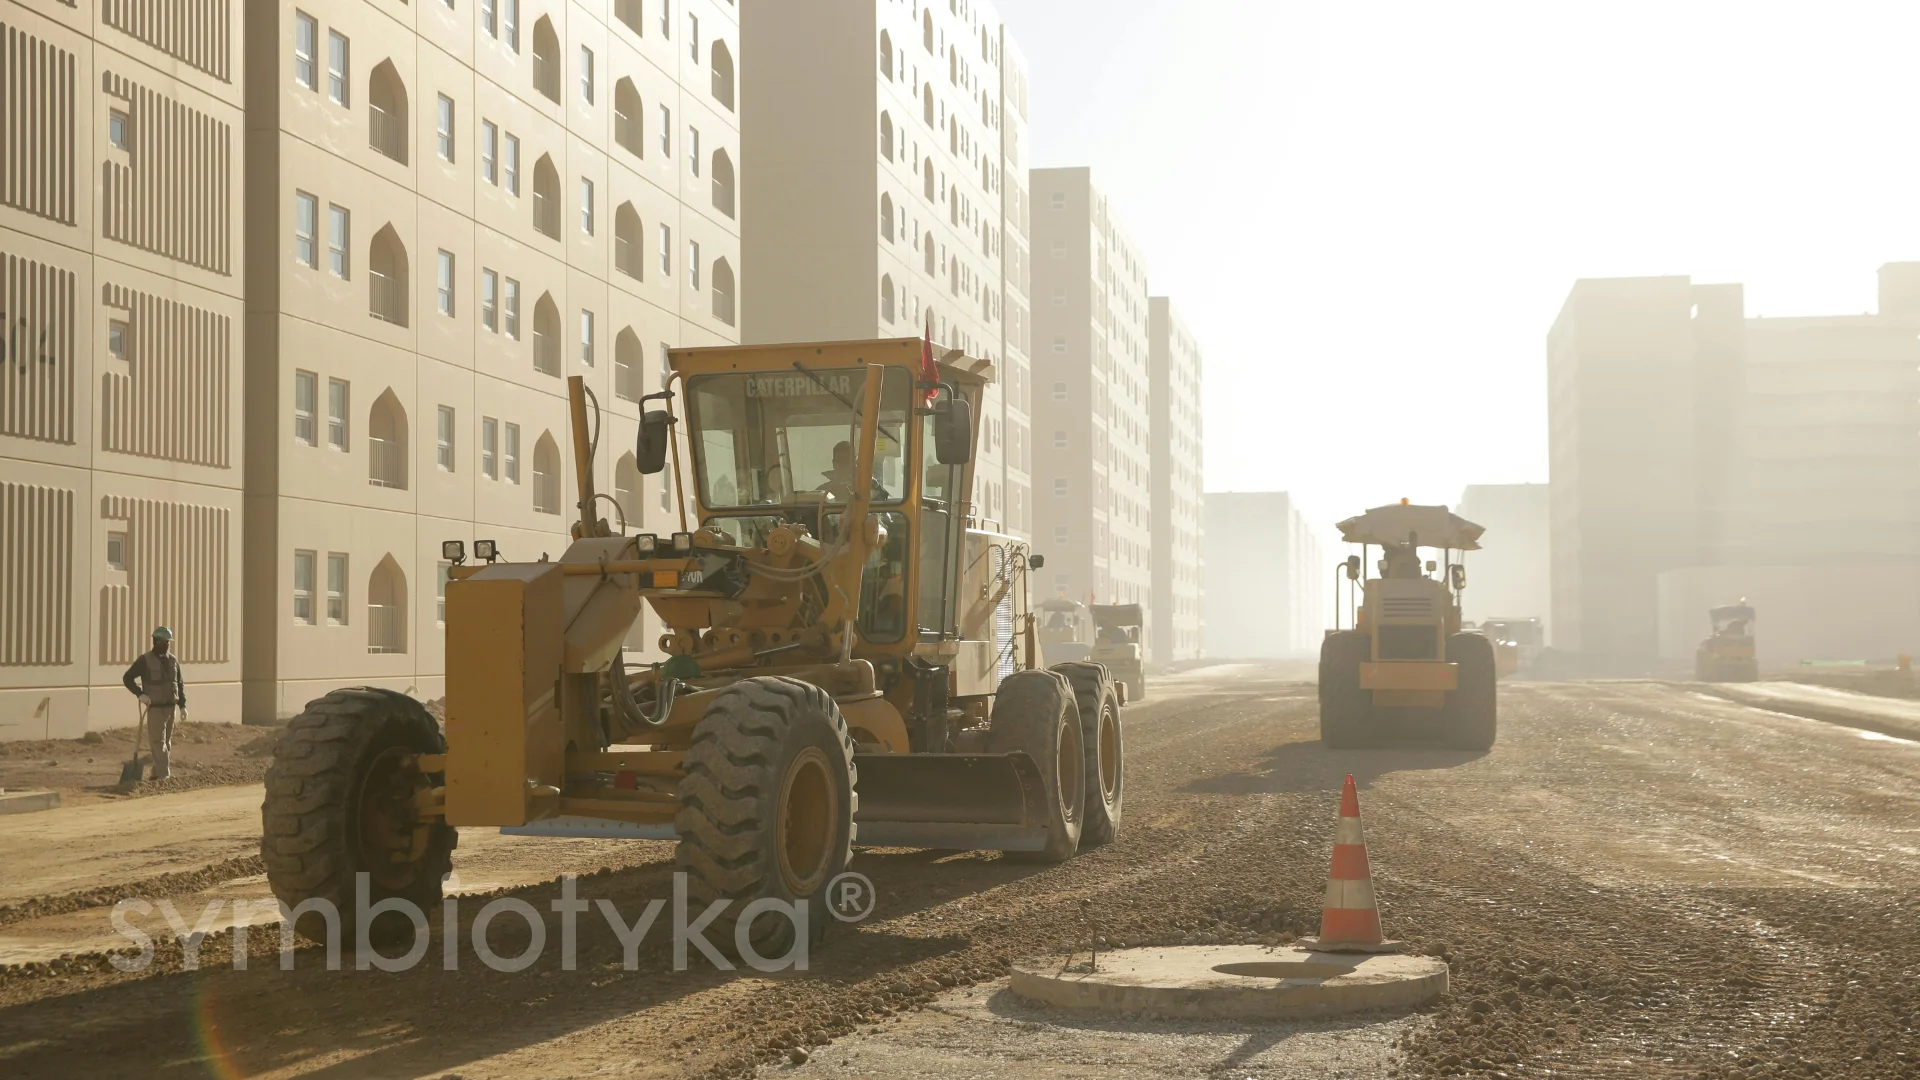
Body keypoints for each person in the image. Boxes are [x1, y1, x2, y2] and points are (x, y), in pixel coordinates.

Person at [122, 626, 186, 781]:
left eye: (168, 642)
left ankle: (156, 773)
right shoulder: (145, 660)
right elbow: (127, 678)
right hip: (155, 708)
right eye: (165, 642)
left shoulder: (173, 660)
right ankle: (164, 777)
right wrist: (141, 694)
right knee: (158, 742)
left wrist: (182, 705)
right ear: (156, 641)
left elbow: (179, 683)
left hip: (171, 708)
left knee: (166, 743)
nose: (167, 644)